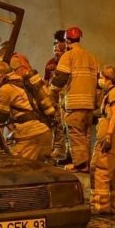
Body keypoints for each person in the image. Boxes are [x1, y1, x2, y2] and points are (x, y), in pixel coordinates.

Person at [50, 26, 100, 172]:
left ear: (66, 41)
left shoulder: (68, 55)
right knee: (86, 135)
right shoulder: (92, 57)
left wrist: (51, 91)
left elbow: (60, 78)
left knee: (75, 134)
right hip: (89, 104)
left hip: (74, 102)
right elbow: (98, 82)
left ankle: (80, 164)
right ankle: (87, 164)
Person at [0, 61, 52, 162]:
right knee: (40, 172)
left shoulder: (6, 89)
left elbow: (0, 117)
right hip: (45, 132)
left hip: (30, 137)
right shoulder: (22, 82)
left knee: (16, 168)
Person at [91, 66, 115, 215]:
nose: (100, 81)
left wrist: (108, 135)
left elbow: (114, 115)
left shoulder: (113, 95)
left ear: (108, 79)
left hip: (111, 137)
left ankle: (100, 206)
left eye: (101, 77)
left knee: (101, 170)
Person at [45, 30, 69, 162]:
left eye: (59, 50)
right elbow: (46, 81)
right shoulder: (50, 63)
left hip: (65, 97)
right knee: (54, 122)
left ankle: (61, 149)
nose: (56, 52)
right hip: (52, 97)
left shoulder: (67, 63)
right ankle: (54, 146)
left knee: (62, 124)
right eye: (55, 49)